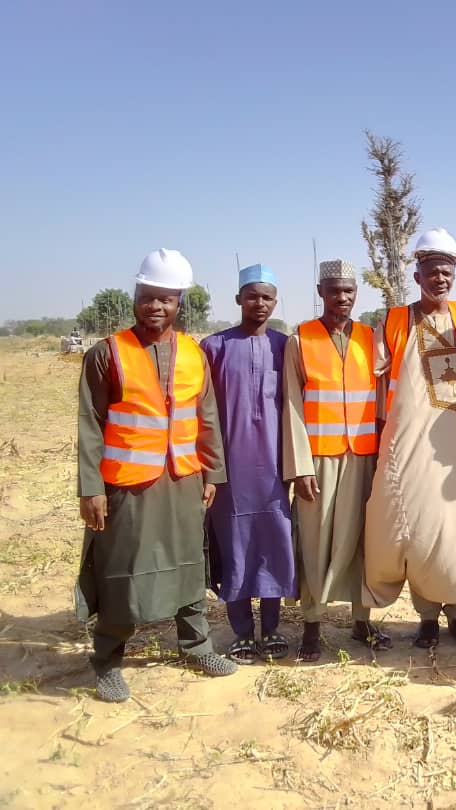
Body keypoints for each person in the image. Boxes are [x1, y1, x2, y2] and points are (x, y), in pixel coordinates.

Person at [76, 249, 237, 702]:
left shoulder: (193, 353)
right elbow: (90, 425)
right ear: (136, 297)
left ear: (179, 303)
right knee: (122, 568)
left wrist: (213, 473)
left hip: (184, 479)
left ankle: (196, 647)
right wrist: (91, 489)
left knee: (190, 562)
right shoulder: (107, 354)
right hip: (128, 483)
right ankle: (107, 660)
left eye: (165, 299)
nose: (155, 307)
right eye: (147, 297)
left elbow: (207, 417)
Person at [363, 229, 456, 648]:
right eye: (430, 271)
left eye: (445, 272)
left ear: (454, 273)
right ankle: (427, 617)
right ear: (417, 273)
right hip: (409, 442)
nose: (438, 279)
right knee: (418, 527)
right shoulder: (393, 320)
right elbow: (373, 385)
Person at [282, 258, 390, 662]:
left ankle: (362, 622)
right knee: (316, 539)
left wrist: (384, 454)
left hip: (363, 455)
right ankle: (312, 624)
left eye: (349, 291)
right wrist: (300, 466)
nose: (341, 298)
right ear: (320, 292)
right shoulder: (300, 340)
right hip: (319, 458)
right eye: (334, 291)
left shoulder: (370, 338)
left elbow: (381, 399)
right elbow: (292, 406)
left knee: (364, 539)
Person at [201, 264, 297, 662]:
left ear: (276, 302)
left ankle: (272, 627)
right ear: (239, 299)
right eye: (253, 296)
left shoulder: (285, 345)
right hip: (229, 467)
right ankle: (241, 629)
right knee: (235, 543)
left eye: (267, 297)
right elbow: (202, 412)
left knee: (274, 539)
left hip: (274, 466)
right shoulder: (213, 347)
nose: (260, 303)